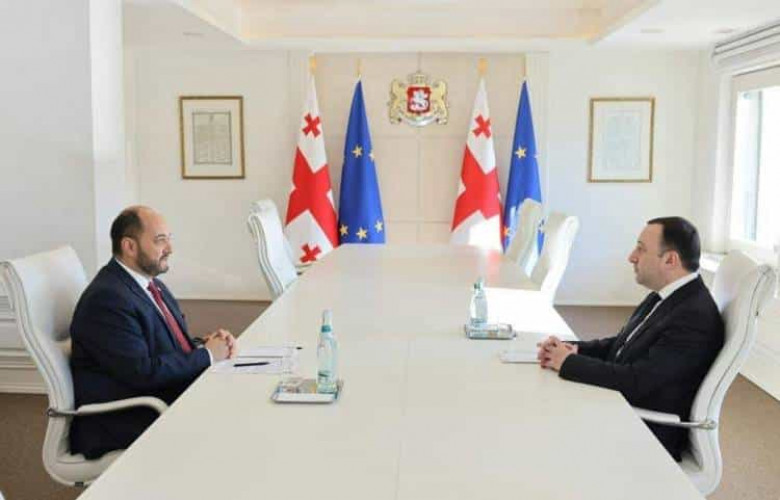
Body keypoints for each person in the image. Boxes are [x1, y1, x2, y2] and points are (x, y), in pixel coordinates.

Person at [537, 217, 724, 461]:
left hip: (645, 432)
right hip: (624, 408)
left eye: (641, 249)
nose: (631, 257)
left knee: (543, 421)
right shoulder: (669, 295)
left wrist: (567, 363)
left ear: (670, 260)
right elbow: (621, 345)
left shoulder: (693, 316)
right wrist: (572, 349)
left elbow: (637, 381)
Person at [69, 206, 238, 459]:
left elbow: (162, 347)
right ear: (130, 246)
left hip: (161, 397)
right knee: (233, 423)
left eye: (169, 238)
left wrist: (206, 345)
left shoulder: (151, 284)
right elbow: (142, 372)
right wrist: (207, 356)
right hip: (128, 418)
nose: (170, 248)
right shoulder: (107, 298)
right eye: (160, 240)